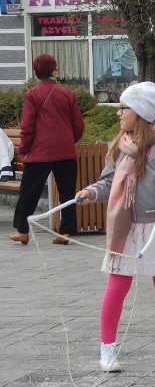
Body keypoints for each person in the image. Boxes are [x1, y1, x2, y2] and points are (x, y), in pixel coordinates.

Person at [75, 82, 155, 371]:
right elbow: (107, 182)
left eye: (123, 108)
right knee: (117, 286)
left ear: (139, 113)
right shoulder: (119, 146)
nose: (118, 113)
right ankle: (107, 350)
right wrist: (91, 192)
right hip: (125, 227)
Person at [9, 54, 85, 246]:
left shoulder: (32, 94)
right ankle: (66, 231)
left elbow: (27, 127)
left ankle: (23, 230)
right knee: (67, 192)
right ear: (54, 69)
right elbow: (79, 125)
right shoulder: (68, 94)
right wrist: (69, 141)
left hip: (39, 152)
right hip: (65, 151)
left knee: (29, 191)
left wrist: (25, 148)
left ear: (35, 72)